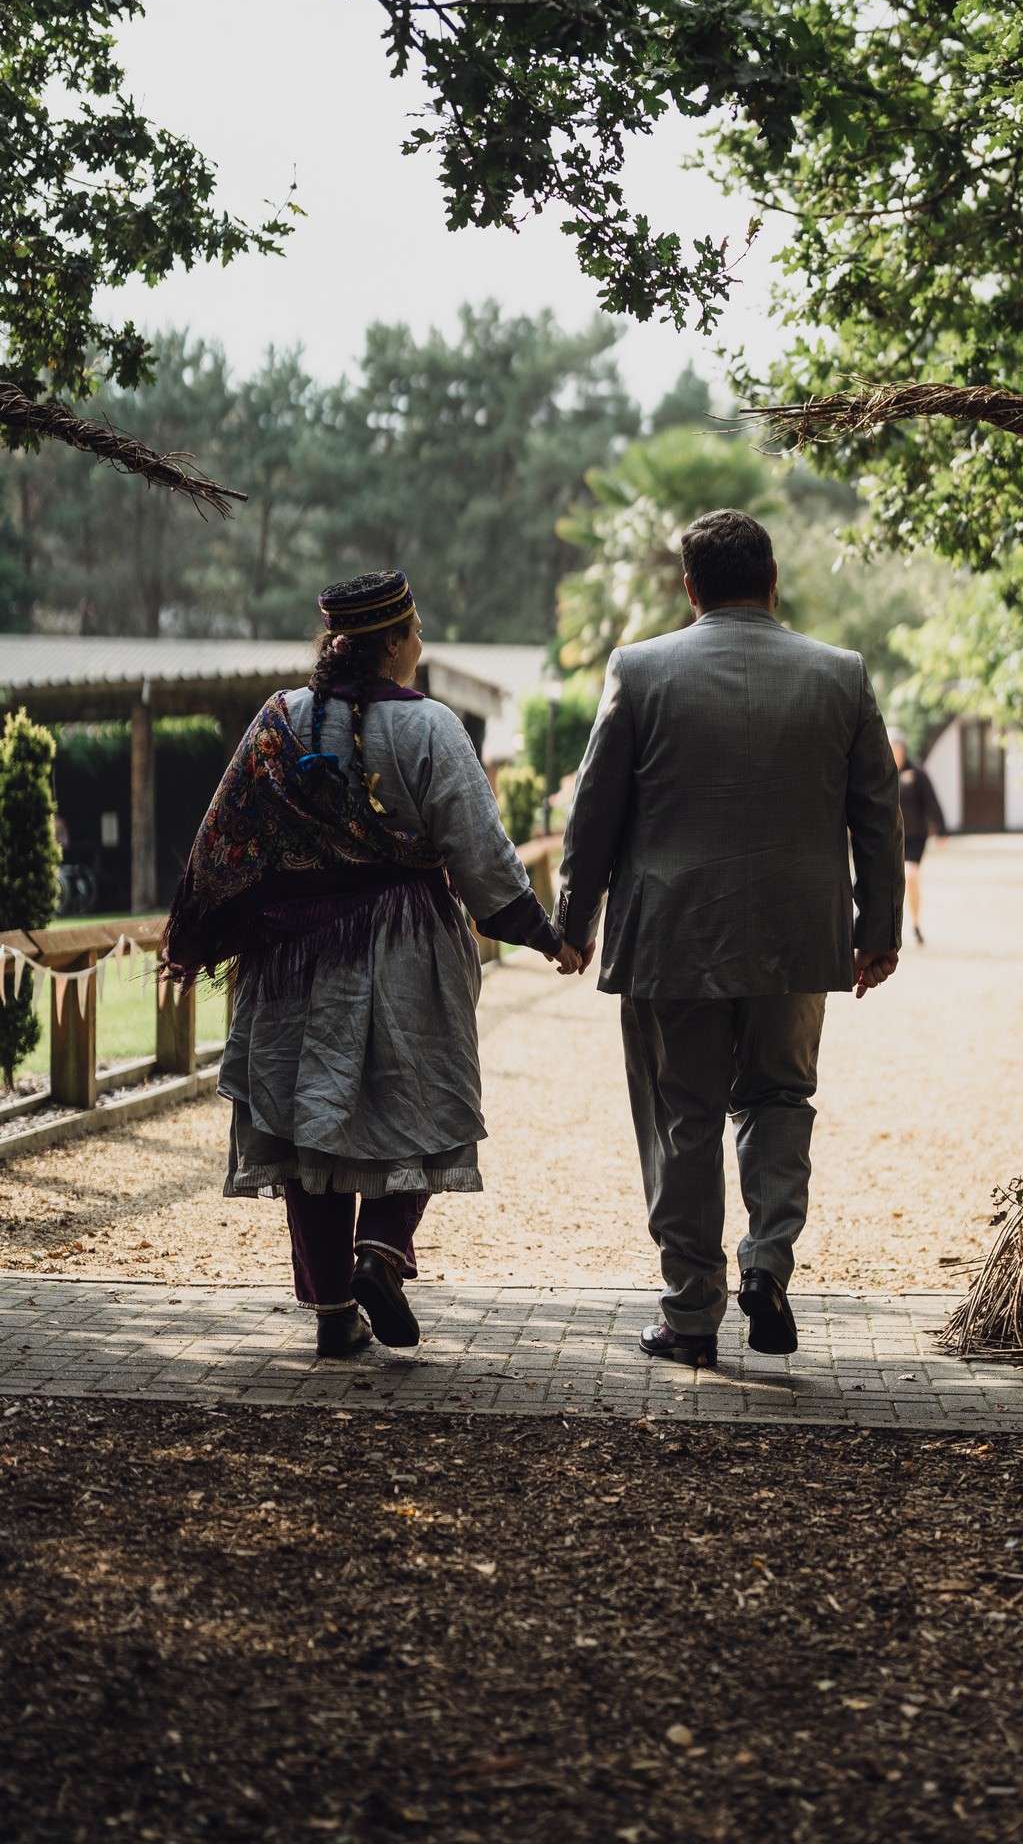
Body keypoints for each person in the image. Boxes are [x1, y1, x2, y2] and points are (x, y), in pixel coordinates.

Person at [162, 569, 582, 1359]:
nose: (420, 646)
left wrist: (198, 935)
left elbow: (224, 838)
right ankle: (380, 1254)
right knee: (420, 1099)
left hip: (290, 961)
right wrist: (543, 932)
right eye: (415, 632)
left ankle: (332, 1314)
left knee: (303, 1123)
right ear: (393, 640)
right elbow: (483, 857)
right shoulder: (432, 729)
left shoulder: (279, 720)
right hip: (406, 949)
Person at [557, 507, 904, 1369]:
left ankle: (691, 1315)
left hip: (672, 936)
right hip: (797, 934)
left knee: (684, 1117)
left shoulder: (638, 671)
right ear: (774, 579)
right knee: (780, 1101)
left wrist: (572, 922)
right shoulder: (841, 674)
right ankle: (768, 1266)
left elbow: (595, 813)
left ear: (689, 588)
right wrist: (880, 929)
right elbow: (877, 816)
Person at [889, 730, 946, 944]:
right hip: (890, 838)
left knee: (910, 877)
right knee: (890, 884)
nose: (895, 754)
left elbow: (931, 801)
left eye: (898, 749)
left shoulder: (918, 773)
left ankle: (915, 923)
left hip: (914, 836)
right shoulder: (880, 771)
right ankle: (893, 928)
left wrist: (941, 829)